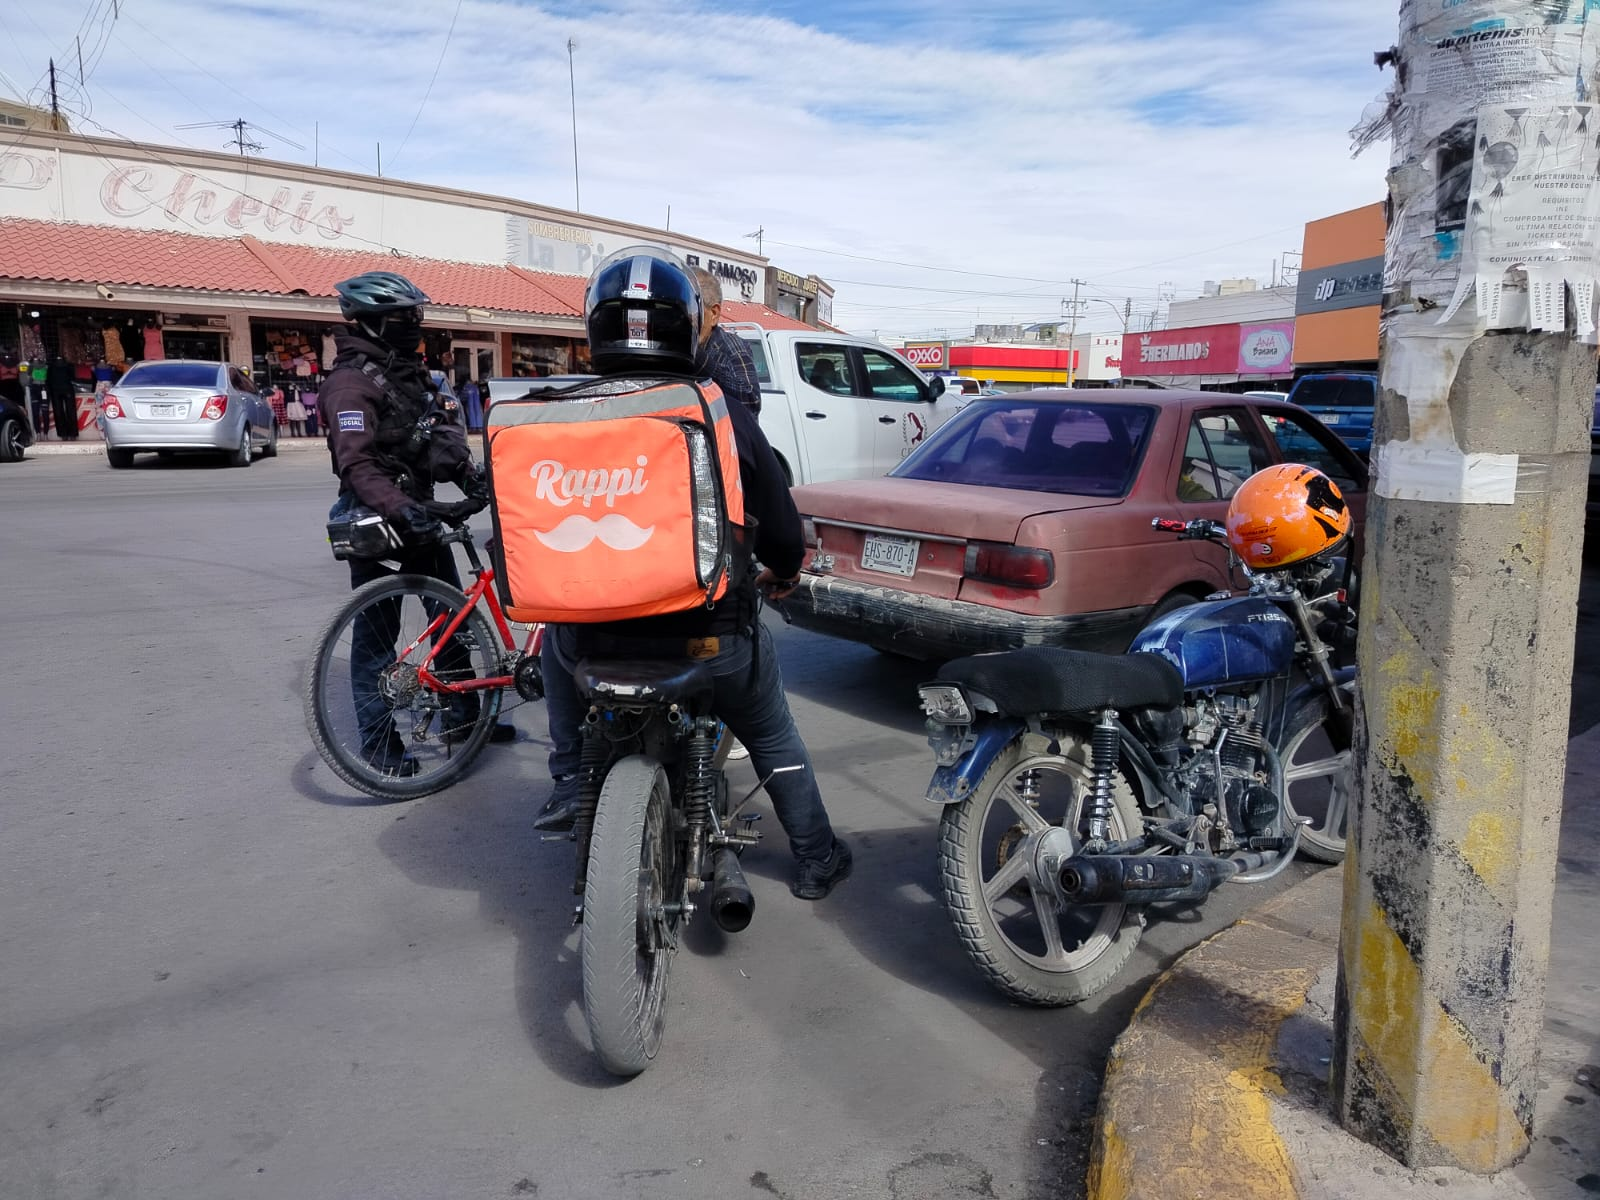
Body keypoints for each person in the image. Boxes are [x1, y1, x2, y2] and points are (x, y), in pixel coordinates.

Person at [532, 249, 850, 901]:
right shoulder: (720, 412)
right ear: (686, 323)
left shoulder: (560, 415)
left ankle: (569, 782)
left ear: (597, 327)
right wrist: (784, 571)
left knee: (555, 641)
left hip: (596, 637)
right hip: (710, 639)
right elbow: (783, 529)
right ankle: (817, 856)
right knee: (767, 726)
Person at [319, 270, 514, 775]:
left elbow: (435, 442)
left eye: (417, 316)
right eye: (405, 318)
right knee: (377, 637)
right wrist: (398, 506)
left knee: (451, 622)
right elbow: (355, 464)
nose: (416, 325)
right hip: (378, 518)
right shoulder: (348, 385)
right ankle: (378, 743)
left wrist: (470, 477)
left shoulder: (408, 371)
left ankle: (463, 721)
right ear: (374, 323)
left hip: (419, 514)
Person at [688, 266, 762, 416]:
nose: (683, 318)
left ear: (714, 314)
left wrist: (701, 361)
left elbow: (751, 399)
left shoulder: (732, 347)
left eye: (691, 309)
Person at [47, 354, 78, 440]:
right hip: (65, 389)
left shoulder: (51, 367)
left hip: (57, 390)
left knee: (60, 412)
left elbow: (48, 380)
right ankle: (72, 434)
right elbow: (73, 377)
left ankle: (64, 434)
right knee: (68, 411)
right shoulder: (68, 366)